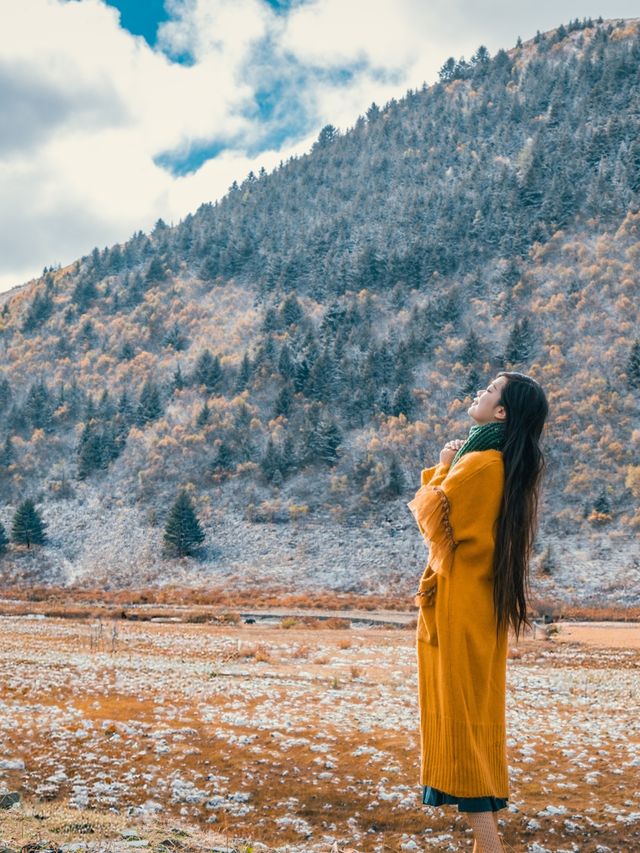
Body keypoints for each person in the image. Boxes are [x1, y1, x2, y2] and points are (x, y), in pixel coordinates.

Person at [407, 371, 549, 853]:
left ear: (503, 412)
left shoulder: (482, 463)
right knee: (471, 716)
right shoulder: (501, 465)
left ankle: (490, 846)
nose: (479, 393)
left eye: (490, 390)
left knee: (462, 719)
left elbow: (434, 522)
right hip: (476, 609)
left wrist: (443, 464)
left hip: (458, 608)